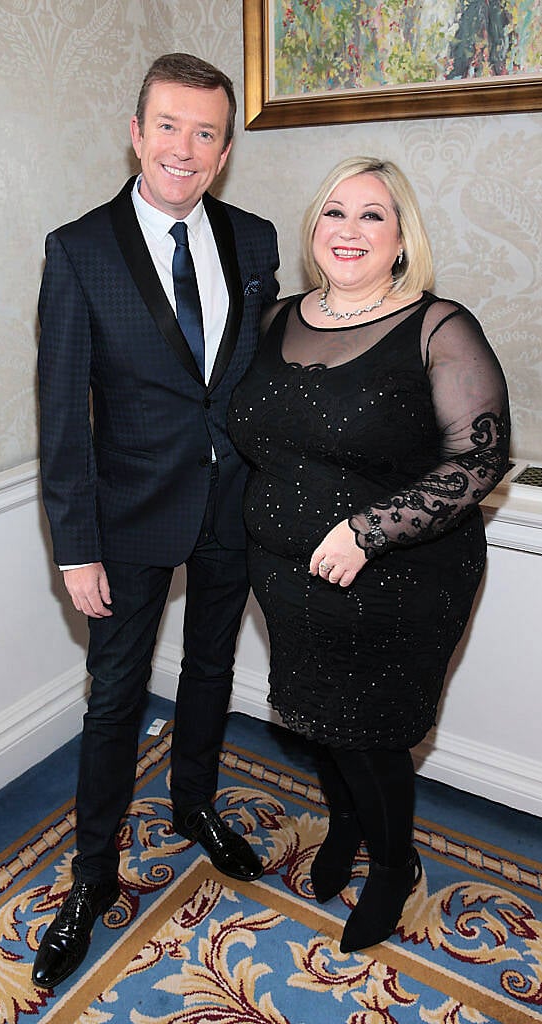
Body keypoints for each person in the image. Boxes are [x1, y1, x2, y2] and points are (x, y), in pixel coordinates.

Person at [33, 52, 279, 989]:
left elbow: (255, 381)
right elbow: (61, 413)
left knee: (212, 668)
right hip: (125, 517)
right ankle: (91, 876)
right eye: (168, 126)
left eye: (206, 132)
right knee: (113, 699)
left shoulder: (253, 242)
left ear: (223, 148)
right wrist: (75, 548)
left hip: (230, 508)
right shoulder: (79, 248)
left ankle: (193, 805)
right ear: (136, 133)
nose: (185, 147)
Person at [228, 156, 510, 954]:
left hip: (400, 576)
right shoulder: (274, 317)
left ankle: (392, 862)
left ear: (400, 238)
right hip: (284, 573)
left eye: (371, 216)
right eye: (333, 213)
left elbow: (480, 457)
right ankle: (346, 822)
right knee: (319, 722)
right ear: (312, 231)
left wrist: (367, 531)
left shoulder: (437, 324)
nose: (347, 231)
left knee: (373, 735)